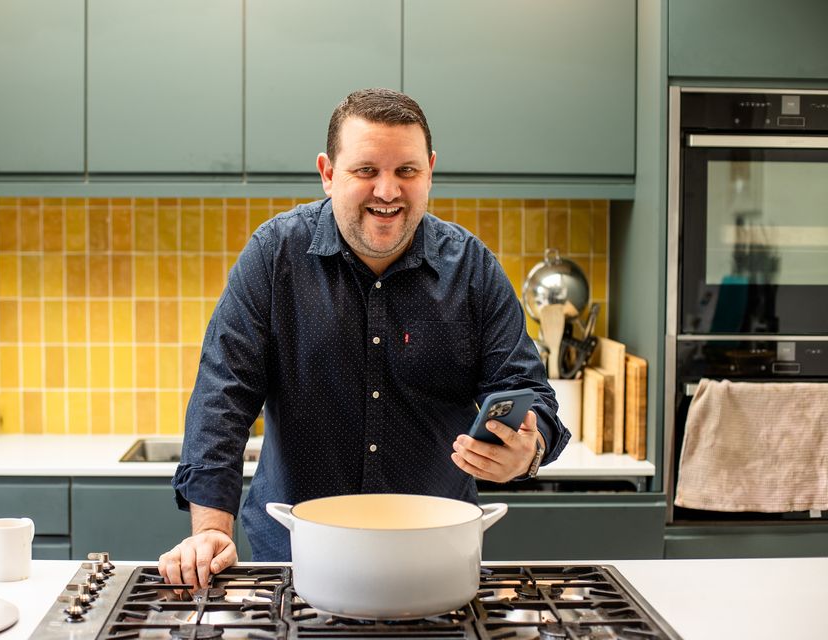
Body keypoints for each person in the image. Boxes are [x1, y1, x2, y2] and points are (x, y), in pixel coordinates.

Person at [159, 88, 570, 591]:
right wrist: (211, 530)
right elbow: (222, 396)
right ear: (328, 174)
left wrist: (527, 450)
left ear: (430, 172)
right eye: (366, 171)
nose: (388, 191)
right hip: (298, 557)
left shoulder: (473, 268)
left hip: (435, 560)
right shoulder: (274, 256)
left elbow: (530, 393)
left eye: (407, 171)